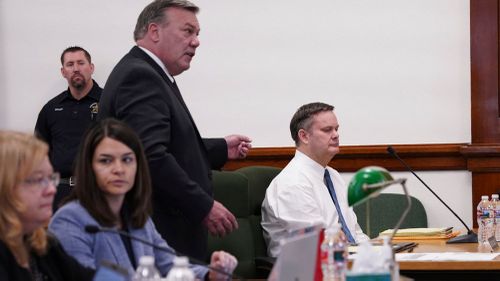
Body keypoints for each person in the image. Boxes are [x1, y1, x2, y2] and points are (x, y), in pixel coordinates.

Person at [97, 0, 251, 260]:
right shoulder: (140, 76)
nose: (196, 42)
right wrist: (202, 206)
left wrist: (221, 148)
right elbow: (150, 155)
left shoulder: (148, 72)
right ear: (155, 31)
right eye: (188, 31)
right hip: (161, 235)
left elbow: (167, 144)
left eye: (197, 34)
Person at [49, 118, 237, 280]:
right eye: (106, 160)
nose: (119, 169)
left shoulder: (136, 216)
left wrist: (211, 273)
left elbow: (169, 263)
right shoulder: (70, 219)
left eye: (127, 159)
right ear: (88, 167)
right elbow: (84, 277)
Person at [261, 102, 369, 257]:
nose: (336, 135)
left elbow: (354, 233)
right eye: (327, 130)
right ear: (304, 136)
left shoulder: (333, 176)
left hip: (343, 263)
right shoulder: (292, 183)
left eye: (336, 129)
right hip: (309, 271)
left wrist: (375, 252)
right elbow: (318, 244)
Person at [0, 131, 94, 280]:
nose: (52, 189)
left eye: (51, 178)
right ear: (4, 187)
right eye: (38, 180)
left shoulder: (42, 244)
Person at [35, 46, 102, 211]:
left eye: (81, 63)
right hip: (60, 194)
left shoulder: (109, 102)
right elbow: (37, 153)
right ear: (63, 71)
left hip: (99, 190)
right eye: (70, 64)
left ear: (91, 68)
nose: (76, 69)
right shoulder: (51, 109)